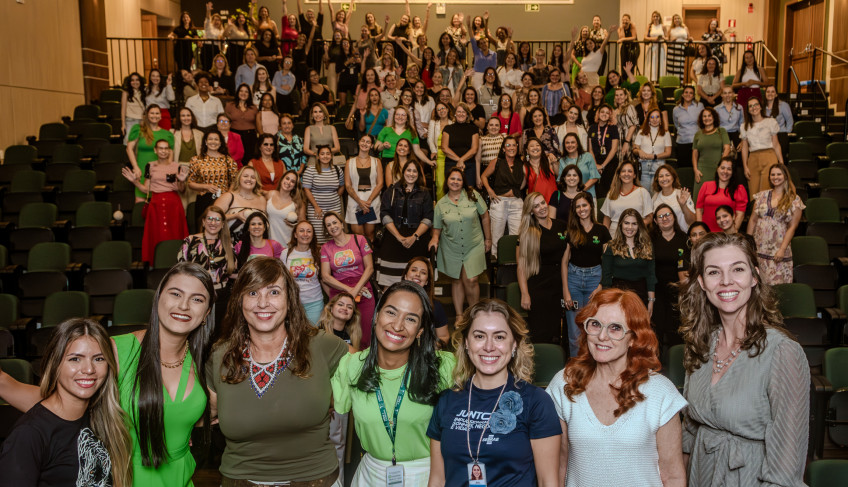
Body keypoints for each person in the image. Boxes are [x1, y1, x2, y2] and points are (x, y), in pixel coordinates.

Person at [678, 232, 809, 486]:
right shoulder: (699, 345)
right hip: (700, 476)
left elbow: (787, 468)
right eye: (714, 272)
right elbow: (689, 433)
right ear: (703, 283)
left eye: (737, 269)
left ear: (754, 277)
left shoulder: (783, 352)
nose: (726, 281)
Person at [208, 256, 347, 485]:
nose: (263, 303)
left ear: (290, 299)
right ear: (239, 300)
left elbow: (374, 365)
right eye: (252, 293)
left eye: (274, 292)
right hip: (240, 480)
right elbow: (199, 414)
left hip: (315, 479)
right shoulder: (220, 356)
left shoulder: (323, 345)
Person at [546, 288, 687, 487]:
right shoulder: (564, 383)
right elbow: (559, 467)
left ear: (633, 338)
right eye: (595, 324)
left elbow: (672, 476)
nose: (602, 336)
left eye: (615, 328)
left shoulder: (660, 392)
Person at [331, 281, 455, 485]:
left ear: (421, 330)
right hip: (370, 476)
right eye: (391, 312)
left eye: (411, 318)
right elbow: (327, 428)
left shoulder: (443, 367)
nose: (397, 326)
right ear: (377, 315)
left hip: (428, 476)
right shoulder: (351, 366)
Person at [427, 299, 562, 486]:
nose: (489, 346)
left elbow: (548, 481)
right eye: (479, 336)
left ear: (514, 344)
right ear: (466, 343)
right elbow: (437, 479)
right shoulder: (447, 401)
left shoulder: (536, 402)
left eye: (499, 337)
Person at [0, 318, 131, 486]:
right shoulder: (29, 435)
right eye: (75, 359)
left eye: (99, 359)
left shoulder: (101, 417)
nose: (89, 369)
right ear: (55, 364)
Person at [430, 167, 492, 319]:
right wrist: (434, 239)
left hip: (474, 244)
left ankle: (473, 314)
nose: (455, 182)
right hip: (451, 246)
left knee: (472, 279)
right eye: (452, 179)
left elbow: (485, 216)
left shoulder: (473, 195)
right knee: (457, 280)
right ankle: (459, 315)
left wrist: (488, 238)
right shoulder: (441, 204)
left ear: (463, 181)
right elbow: (437, 228)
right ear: (447, 181)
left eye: (459, 179)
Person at [123, 138, 189, 264]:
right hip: (156, 204)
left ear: (169, 151)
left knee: (175, 233)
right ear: (155, 150)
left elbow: (182, 190)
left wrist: (181, 180)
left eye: (166, 148)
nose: (163, 151)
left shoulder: (177, 166)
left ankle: (175, 262)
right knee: (156, 235)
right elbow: (145, 189)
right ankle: (157, 263)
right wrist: (134, 181)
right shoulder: (150, 165)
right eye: (160, 148)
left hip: (173, 204)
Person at [516, 192, 568, 345]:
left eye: (543, 203)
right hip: (538, 287)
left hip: (559, 284)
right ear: (531, 211)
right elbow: (521, 267)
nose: (541, 208)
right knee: (540, 333)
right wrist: (525, 293)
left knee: (556, 332)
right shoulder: (527, 232)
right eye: (536, 206)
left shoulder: (560, 225)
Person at [320, 211, 376, 350]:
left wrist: (356, 289)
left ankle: (363, 364)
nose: (332, 226)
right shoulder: (326, 248)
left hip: (363, 289)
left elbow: (369, 268)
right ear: (326, 230)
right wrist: (349, 291)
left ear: (341, 223)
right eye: (328, 225)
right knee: (336, 333)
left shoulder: (360, 239)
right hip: (339, 291)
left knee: (365, 333)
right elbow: (325, 276)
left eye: (334, 222)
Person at [179, 206, 238, 328]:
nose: (213, 223)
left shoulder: (228, 245)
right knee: (197, 331)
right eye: (210, 218)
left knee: (219, 333)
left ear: (222, 224)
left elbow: (231, 272)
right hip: (196, 293)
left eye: (217, 220)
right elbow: (180, 269)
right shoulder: (190, 241)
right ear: (203, 221)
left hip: (222, 296)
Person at [377, 161, 434, 288]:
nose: (411, 174)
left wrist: (414, 236)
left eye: (415, 171)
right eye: (409, 170)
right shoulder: (391, 191)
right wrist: (398, 236)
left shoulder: (424, 193)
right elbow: (384, 215)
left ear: (418, 174)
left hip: (417, 241)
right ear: (403, 172)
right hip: (393, 239)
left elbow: (429, 217)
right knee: (390, 284)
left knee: (418, 284)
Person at [746, 163, 805, 285]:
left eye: (779, 174)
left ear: (785, 176)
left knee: (777, 290)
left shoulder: (794, 199)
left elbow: (792, 227)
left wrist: (782, 249)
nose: (775, 177)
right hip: (759, 250)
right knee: (758, 287)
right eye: (772, 174)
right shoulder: (761, 196)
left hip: (778, 252)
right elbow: (752, 220)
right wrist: (748, 243)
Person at [650, 203, 689, 353]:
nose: (664, 218)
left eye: (667, 215)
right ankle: (656, 369)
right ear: (655, 221)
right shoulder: (651, 239)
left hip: (678, 292)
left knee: (676, 331)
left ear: (674, 217)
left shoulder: (683, 238)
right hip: (656, 292)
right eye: (660, 216)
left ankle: (675, 365)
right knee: (656, 331)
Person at [601, 208, 656, 310]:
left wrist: (651, 301)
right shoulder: (611, 247)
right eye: (626, 223)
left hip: (641, 298)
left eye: (634, 224)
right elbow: (606, 279)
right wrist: (606, 304)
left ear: (639, 226)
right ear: (621, 224)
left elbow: (650, 276)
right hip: (618, 298)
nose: (630, 227)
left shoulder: (647, 246)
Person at [481, 135, 526, 256]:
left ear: (517, 147)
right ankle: (496, 264)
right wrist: (489, 190)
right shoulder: (497, 162)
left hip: (517, 202)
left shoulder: (520, 163)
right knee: (497, 235)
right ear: (503, 149)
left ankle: (513, 263)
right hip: (499, 201)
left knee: (516, 236)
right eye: (508, 145)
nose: (511, 147)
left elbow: (522, 185)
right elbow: (483, 176)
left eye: (514, 145)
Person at [187, 129, 239, 219]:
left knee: (221, 226)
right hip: (204, 200)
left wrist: (228, 196)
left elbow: (234, 182)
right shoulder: (196, 160)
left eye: (216, 139)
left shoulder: (229, 161)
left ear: (220, 143)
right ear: (206, 142)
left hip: (223, 199)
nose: (213, 142)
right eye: (210, 139)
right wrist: (205, 186)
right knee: (203, 228)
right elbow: (190, 183)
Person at [127, 104, 175, 201]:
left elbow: (170, 154)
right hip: (141, 170)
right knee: (141, 205)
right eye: (152, 113)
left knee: (158, 203)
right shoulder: (138, 129)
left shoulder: (167, 134)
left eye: (157, 113)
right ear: (147, 115)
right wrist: (135, 167)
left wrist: (168, 171)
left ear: (161, 116)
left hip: (160, 173)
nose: (154, 115)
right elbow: (129, 148)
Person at [281, 221, 325, 324]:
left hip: (315, 303)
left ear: (312, 235)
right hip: (293, 303)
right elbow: (282, 279)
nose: (305, 234)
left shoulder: (318, 252)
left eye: (309, 231)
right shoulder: (285, 253)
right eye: (301, 231)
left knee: (314, 335)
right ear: (295, 235)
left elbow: (324, 277)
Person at [741, 96, 784, 196]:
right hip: (753, 159)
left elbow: (776, 144)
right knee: (753, 193)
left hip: (769, 156)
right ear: (748, 110)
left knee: (767, 191)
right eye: (750, 106)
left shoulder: (770, 122)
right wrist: (745, 166)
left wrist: (781, 163)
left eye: (756, 104)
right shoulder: (744, 126)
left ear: (760, 107)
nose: (753, 107)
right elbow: (745, 148)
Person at [402, 257, 450, 345]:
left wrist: (428, 348)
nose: (418, 274)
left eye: (423, 272)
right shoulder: (392, 300)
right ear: (405, 275)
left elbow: (444, 337)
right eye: (413, 270)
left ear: (427, 281)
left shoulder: (435, 306)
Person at [344, 134, 383, 242]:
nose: (364, 144)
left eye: (368, 142)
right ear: (358, 142)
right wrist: (360, 202)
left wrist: (368, 201)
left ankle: (370, 257)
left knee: (369, 234)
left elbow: (380, 184)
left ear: (371, 146)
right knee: (357, 235)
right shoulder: (349, 162)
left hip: (371, 201)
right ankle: (359, 258)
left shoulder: (376, 161)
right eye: (363, 141)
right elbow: (348, 185)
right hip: (355, 200)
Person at [302, 145, 344, 243]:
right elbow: (306, 190)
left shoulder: (337, 170)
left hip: (334, 208)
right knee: (318, 237)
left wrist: (336, 196)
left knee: (334, 235)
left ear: (331, 156)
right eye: (322, 154)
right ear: (317, 156)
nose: (325, 156)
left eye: (328, 154)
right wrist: (316, 207)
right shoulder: (310, 170)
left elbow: (342, 185)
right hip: (316, 209)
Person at [215, 165, 267, 240]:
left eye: (253, 177)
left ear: (256, 181)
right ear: (239, 178)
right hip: (231, 245)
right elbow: (213, 217)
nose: (249, 179)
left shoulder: (262, 199)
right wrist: (235, 216)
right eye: (245, 176)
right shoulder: (228, 196)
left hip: (256, 246)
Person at [696, 157, 748, 232]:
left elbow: (740, 215)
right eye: (722, 168)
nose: (725, 171)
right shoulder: (706, 185)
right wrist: (701, 231)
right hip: (706, 234)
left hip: (726, 235)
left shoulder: (739, 189)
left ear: (733, 172)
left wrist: (731, 233)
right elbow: (699, 210)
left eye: (729, 169)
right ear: (717, 169)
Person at [601, 160, 653, 234]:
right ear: (619, 175)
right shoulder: (611, 193)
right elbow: (607, 218)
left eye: (630, 171)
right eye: (623, 171)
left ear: (634, 175)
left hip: (635, 233)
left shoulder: (643, 192)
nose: (626, 174)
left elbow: (650, 217)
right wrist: (605, 237)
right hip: (614, 234)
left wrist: (637, 226)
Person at [692, 105, 732, 199]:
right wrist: (695, 170)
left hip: (718, 170)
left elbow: (727, 148)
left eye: (709, 115)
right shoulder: (698, 134)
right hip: (701, 171)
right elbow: (694, 154)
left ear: (714, 117)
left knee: (717, 198)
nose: (707, 118)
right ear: (701, 119)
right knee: (699, 199)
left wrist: (721, 166)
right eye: (704, 116)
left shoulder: (721, 131)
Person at [441, 103, 481, 187]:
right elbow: (444, 148)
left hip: (469, 165)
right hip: (451, 165)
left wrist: (461, 160)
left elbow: (474, 149)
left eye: (463, 112)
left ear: (467, 115)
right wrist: (459, 160)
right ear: (455, 114)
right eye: (459, 112)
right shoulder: (448, 128)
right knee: (452, 190)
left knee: (468, 193)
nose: (461, 114)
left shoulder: (474, 129)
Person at [632, 107, 672, 190]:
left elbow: (668, 153)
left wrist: (654, 156)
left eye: (657, 117)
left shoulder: (666, 133)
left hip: (659, 168)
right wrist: (639, 151)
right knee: (644, 195)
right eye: (652, 117)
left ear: (661, 119)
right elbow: (634, 149)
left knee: (656, 195)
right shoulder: (641, 131)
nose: (655, 120)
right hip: (644, 168)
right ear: (648, 119)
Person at [266, 169, 305, 246]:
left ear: (294, 186)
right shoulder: (270, 194)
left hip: (287, 244)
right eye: (287, 178)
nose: (288, 182)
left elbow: (303, 226)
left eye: (292, 181)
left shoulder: (297, 203)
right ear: (282, 179)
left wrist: (295, 225)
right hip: (270, 244)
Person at [652, 165, 696, 232]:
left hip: (683, 235)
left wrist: (683, 206)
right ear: (657, 180)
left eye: (667, 175)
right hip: (663, 236)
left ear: (673, 177)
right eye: (661, 176)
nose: (664, 179)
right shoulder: (655, 197)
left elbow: (692, 221)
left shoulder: (682, 195)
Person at [588, 104, 619, 196]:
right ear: (598, 114)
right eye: (602, 112)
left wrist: (602, 166)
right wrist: (596, 165)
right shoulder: (592, 127)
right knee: (596, 190)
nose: (604, 114)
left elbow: (614, 149)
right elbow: (590, 149)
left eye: (607, 113)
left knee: (608, 190)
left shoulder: (613, 128)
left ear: (610, 115)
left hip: (610, 163)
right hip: (595, 163)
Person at [672, 85, 703, 176]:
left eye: (691, 93)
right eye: (686, 92)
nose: (688, 94)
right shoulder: (676, 109)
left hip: (697, 142)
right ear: (682, 94)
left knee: (696, 168)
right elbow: (677, 125)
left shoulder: (700, 106)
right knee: (684, 169)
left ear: (694, 96)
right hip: (682, 143)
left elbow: (703, 122)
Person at [226, 84, 259, 162]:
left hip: (250, 137)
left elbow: (257, 124)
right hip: (234, 135)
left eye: (246, 92)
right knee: (233, 159)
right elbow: (225, 121)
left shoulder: (254, 108)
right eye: (241, 91)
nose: (243, 93)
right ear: (237, 92)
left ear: (249, 94)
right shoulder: (229, 105)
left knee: (249, 159)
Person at [428, 102, 453, 200]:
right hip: (438, 155)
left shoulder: (453, 122)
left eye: (443, 108)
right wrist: (433, 151)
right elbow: (429, 139)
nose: (441, 111)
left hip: (451, 155)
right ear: (436, 113)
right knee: (440, 183)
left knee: (451, 182)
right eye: (439, 109)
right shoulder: (433, 123)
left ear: (447, 109)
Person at [763, 85, 794, 158]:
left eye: (772, 92)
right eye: (768, 91)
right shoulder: (762, 106)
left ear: (776, 94)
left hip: (780, 135)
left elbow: (790, 120)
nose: (770, 93)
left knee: (780, 159)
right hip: (766, 136)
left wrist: (787, 131)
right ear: (765, 94)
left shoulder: (783, 105)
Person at [716, 85, 743, 150]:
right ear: (721, 95)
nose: (727, 95)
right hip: (722, 136)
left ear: (733, 94)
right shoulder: (716, 109)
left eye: (729, 93)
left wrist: (742, 140)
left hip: (736, 135)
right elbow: (715, 127)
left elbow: (742, 125)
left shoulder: (739, 107)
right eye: (725, 93)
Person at [121, 72, 146, 141]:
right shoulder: (125, 93)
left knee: (141, 143)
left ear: (140, 81)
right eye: (132, 80)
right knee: (129, 142)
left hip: (142, 121)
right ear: (129, 82)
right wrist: (123, 125)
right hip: (130, 121)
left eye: (137, 80)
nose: (135, 82)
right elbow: (123, 109)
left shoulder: (145, 91)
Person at [666, 14, 691, 79]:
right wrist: (672, 39)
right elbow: (667, 40)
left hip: (681, 49)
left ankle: (680, 82)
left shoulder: (685, 28)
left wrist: (690, 39)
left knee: (680, 67)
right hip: (672, 49)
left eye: (678, 18)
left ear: (680, 19)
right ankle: (671, 82)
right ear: (673, 20)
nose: (677, 20)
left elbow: (688, 38)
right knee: (671, 67)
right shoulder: (671, 29)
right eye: (675, 19)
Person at [644, 11, 667, 81]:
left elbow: (667, 37)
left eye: (657, 16)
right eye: (654, 16)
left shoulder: (663, 26)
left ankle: (660, 80)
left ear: (659, 17)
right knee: (652, 64)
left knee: (660, 64)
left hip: (661, 48)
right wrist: (654, 39)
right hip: (652, 47)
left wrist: (662, 38)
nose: (655, 18)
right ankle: (651, 80)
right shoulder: (650, 26)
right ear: (652, 18)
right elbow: (645, 37)